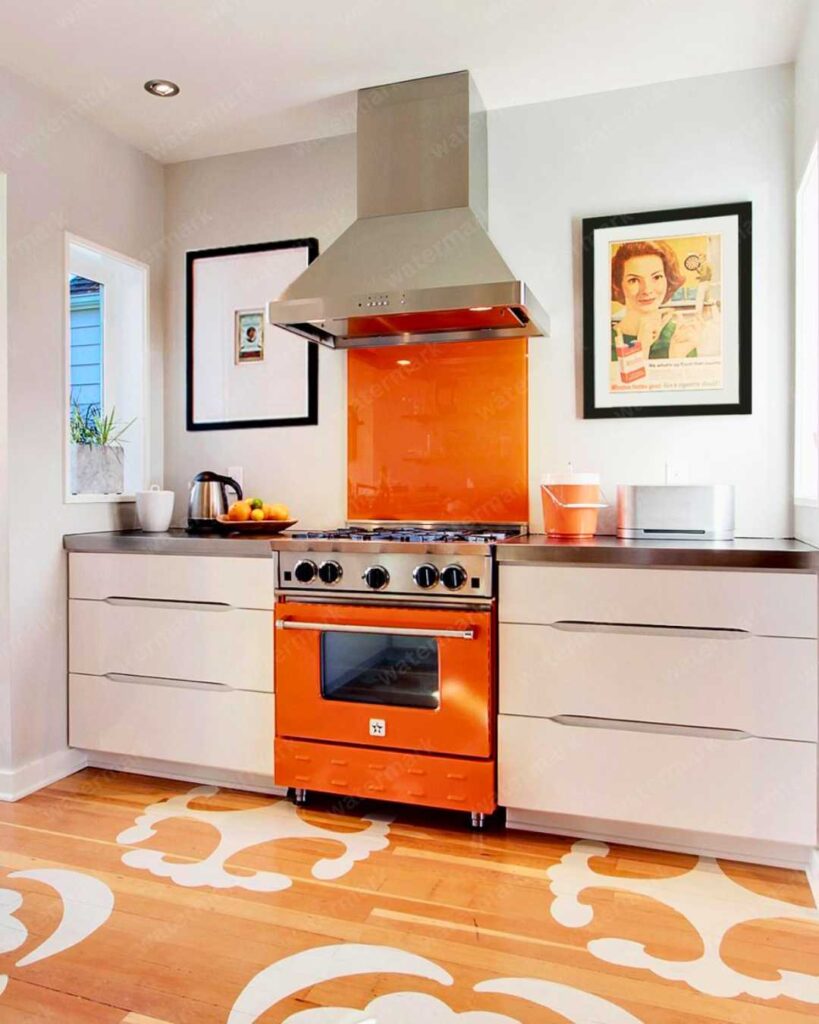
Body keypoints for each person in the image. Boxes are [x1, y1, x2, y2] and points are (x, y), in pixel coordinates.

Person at [610, 240, 699, 361]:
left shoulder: (681, 336)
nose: (647, 290)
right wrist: (641, 348)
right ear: (618, 285)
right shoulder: (606, 340)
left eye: (656, 277)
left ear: (668, 279)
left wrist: (676, 358)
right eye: (634, 280)